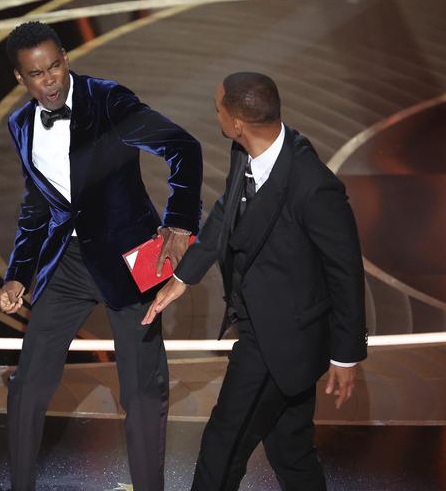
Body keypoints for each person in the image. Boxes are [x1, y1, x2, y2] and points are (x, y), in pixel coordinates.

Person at [0, 21, 203, 491]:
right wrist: (19, 274)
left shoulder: (108, 100)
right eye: (36, 74)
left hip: (132, 262)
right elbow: (37, 205)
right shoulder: (20, 125)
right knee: (28, 384)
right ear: (20, 78)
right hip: (67, 265)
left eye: (55, 67)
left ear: (66, 58)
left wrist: (180, 223)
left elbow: (182, 148)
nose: (49, 80)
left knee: (141, 392)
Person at [143, 72, 367, 490]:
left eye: (218, 108)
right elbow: (226, 216)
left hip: (280, 340)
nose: (216, 115)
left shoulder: (314, 186)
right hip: (262, 325)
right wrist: (183, 276)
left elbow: (346, 272)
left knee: (222, 447)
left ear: (237, 122)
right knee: (291, 451)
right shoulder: (245, 152)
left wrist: (346, 356)